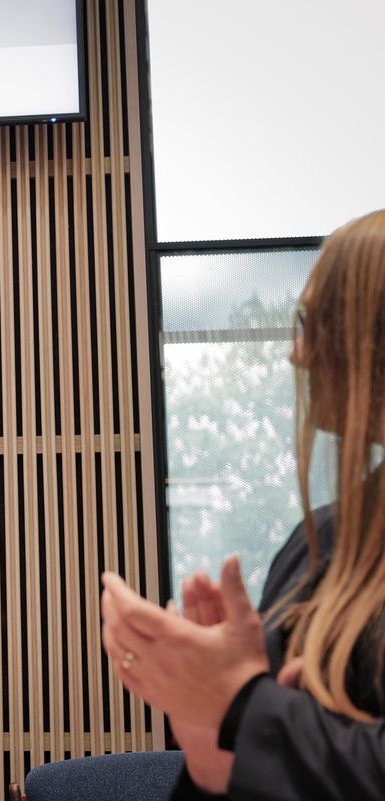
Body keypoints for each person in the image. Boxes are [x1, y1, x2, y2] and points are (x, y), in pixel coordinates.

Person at [100, 208, 385, 799]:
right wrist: (214, 755)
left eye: (314, 323)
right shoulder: (321, 542)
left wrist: (243, 705)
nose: (297, 355)